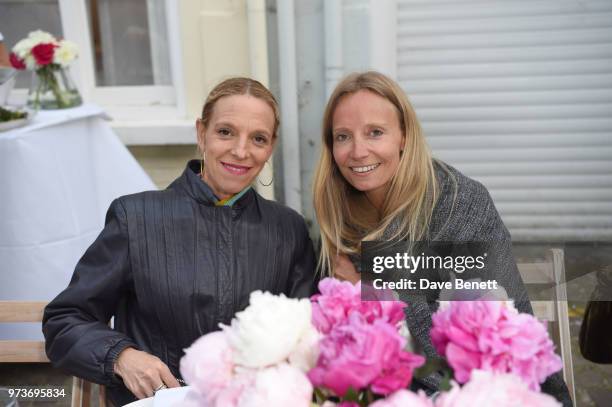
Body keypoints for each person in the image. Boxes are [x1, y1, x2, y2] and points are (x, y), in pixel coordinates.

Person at [43, 77, 317, 406]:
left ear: (270, 147)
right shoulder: (136, 217)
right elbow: (66, 319)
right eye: (225, 131)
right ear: (202, 133)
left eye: (257, 138)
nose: (241, 150)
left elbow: (308, 334)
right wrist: (121, 356)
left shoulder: (288, 230)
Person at [312, 71, 572, 406]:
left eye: (375, 132)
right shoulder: (340, 212)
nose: (358, 151)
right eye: (343, 137)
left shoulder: (460, 204)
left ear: (404, 136)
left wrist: (370, 287)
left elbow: (490, 349)